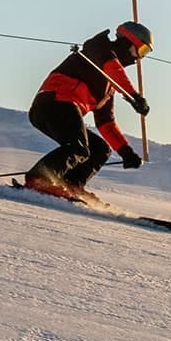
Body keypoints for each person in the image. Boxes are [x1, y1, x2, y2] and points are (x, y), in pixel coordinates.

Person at [23, 22, 151, 206]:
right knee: (79, 146)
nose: (139, 58)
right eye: (142, 50)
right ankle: (39, 179)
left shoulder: (109, 87)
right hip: (53, 103)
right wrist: (133, 96)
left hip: (64, 109)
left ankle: (70, 184)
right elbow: (113, 68)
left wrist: (126, 152)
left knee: (100, 149)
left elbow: (106, 123)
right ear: (128, 41)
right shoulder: (99, 47)